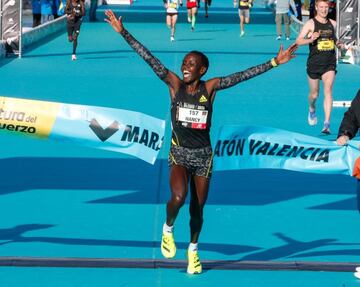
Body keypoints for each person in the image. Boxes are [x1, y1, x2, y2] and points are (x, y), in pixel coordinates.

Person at [104, 9, 297, 274]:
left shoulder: (210, 87)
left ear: (202, 69)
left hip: (204, 157)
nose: (185, 66)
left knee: (198, 209)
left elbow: (242, 75)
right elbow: (149, 58)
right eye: (184, 62)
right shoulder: (174, 85)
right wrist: (123, 32)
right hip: (179, 153)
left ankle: (193, 250)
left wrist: (274, 63)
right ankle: (168, 228)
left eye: (191, 64)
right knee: (179, 196)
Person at [296, 0, 344, 134]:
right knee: (314, 95)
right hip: (314, 64)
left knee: (328, 90)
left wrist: (339, 44)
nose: (324, 10)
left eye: (326, 7)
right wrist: (311, 39)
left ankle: (327, 124)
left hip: (329, 63)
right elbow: (298, 41)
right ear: (316, 8)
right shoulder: (310, 24)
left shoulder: (333, 24)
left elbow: (336, 41)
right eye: (321, 7)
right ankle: (312, 109)